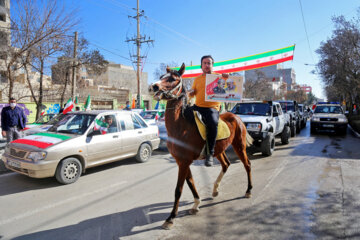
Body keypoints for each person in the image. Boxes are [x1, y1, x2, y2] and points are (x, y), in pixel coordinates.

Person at [188, 55, 228, 167]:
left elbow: (230, 88)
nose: (206, 65)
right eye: (204, 63)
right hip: (197, 106)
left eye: (209, 63)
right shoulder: (197, 79)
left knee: (212, 123)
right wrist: (190, 93)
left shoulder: (220, 77)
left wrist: (227, 77)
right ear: (201, 66)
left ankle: (210, 153)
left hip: (212, 108)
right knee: (184, 114)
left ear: (212, 65)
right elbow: (193, 92)